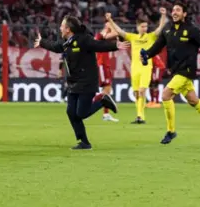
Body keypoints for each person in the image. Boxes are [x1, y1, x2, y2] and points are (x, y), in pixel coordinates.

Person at [34, 15, 129, 150]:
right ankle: (84, 142)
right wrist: (42, 42)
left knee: (82, 113)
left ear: (68, 29)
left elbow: (98, 45)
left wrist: (115, 45)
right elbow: (56, 47)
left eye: (62, 25)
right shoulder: (66, 41)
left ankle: (102, 100)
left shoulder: (83, 39)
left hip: (87, 81)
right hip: (73, 81)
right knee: (71, 112)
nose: (60, 28)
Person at [141, 3, 200, 144]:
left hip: (187, 70)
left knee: (166, 95)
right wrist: (147, 55)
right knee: (193, 100)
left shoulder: (192, 30)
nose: (174, 12)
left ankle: (171, 131)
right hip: (176, 70)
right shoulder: (167, 29)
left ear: (184, 14)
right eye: (173, 10)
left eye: (178, 10)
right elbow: (157, 46)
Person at [107, 8, 167, 124]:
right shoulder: (132, 37)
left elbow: (160, 28)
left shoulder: (150, 36)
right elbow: (119, 31)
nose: (145, 28)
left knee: (141, 91)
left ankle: (141, 116)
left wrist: (163, 15)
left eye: (146, 26)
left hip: (146, 68)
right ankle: (138, 115)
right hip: (134, 69)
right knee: (136, 93)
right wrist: (110, 20)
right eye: (143, 26)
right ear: (138, 27)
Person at [94, 23, 119, 122]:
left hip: (105, 65)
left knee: (107, 90)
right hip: (102, 65)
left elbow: (116, 37)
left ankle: (106, 114)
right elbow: (116, 32)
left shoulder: (105, 37)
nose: (111, 26)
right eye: (109, 25)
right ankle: (86, 108)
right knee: (106, 90)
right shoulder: (101, 35)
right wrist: (111, 24)